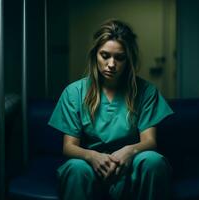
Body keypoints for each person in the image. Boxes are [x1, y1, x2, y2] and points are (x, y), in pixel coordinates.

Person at [48, 19, 174, 200]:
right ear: (95, 55)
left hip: (131, 168)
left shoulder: (146, 91)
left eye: (119, 57)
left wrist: (129, 152)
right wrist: (92, 156)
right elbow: (69, 147)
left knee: (153, 161)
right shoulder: (74, 92)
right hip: (90, 169)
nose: (111, 64)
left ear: (128, 59)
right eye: (105, 55)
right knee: (75, 167)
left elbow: (150, 141)